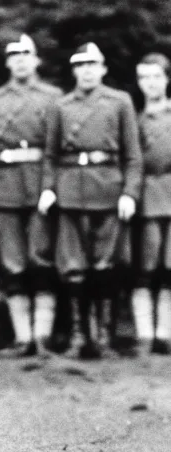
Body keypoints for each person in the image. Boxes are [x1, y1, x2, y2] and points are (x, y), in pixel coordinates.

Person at [40, 43, 143, 358]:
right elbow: (51, 154)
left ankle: (103, 338)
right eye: (80, 64)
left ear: (103, 68)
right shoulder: (61, 105)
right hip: (71, 191)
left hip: (109, 191)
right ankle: (77, 337)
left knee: (106, 266)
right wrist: (49, 187)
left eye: (92, 64)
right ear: (74, 70)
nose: (87, 70)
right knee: (73, 268)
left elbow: (133, 154)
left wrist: (129, 192)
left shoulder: (119, 101)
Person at [0, 35, 63, 358]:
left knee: (41, 258)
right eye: (15, 55)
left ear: (36, 60)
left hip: (40, 187)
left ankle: (43, 337)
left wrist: (51, 187)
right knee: (13, 263)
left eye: (27, 54)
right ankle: (22, 338)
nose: (21, 60)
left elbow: (57, 149)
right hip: (4, 187)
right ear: (8, 62)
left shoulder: (53, 97)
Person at [131, 52, 171, 356]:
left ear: (167, 79)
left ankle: (166, 332)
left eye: (156, 76)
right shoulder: (134, 119)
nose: (150, 83)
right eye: (144, 77)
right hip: (145, 198)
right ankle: (144, 335)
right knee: (145, 267)